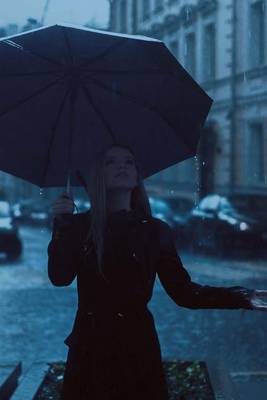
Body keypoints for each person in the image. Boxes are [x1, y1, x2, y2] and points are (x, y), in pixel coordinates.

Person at [47, 144, 267, 400]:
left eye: (129, 161)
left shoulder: (154, 230)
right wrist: (62, 224)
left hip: (137, 347)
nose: (122, 166)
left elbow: (184, 293)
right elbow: (59, 277)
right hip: (90, 347)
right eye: (111, 162)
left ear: (137, 175)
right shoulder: (79, 226)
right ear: (98, 175)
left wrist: (241, 297)